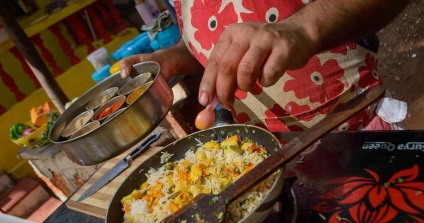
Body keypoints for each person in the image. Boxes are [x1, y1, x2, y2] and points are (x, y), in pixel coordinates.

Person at [120, 0, 410, 132]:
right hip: (273, 159)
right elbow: (212, 38)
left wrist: (302, 29)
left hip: (360, 133)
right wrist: (175, 55)